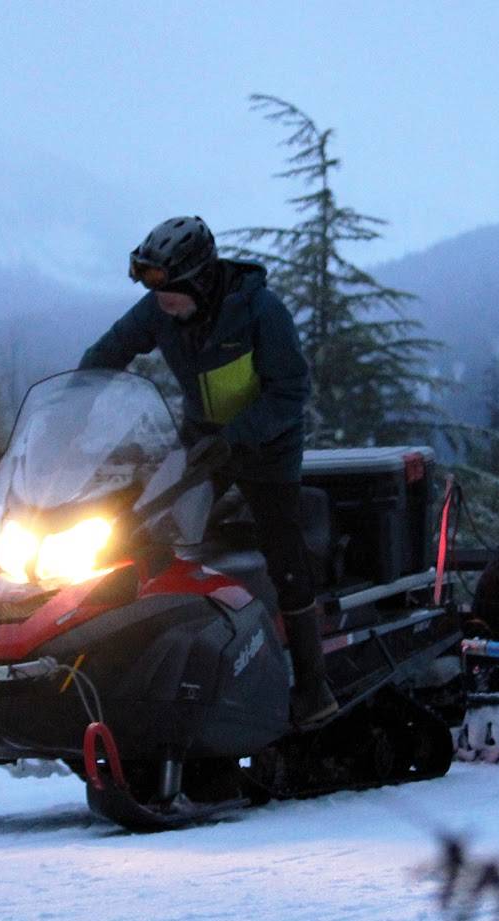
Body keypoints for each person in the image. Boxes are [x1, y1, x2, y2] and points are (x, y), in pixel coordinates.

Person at [79, 215, 338, 728]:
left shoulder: (261, 311)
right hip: (201, 442)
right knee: (143, 527)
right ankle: (142, 658)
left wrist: (237, 439)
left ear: (199, 280)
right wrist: (77, 397)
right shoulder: (159, 309)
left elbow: (291, 392)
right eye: (157, 294)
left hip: (267, 450)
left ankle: (313, 687)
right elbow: (110, 351)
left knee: (284, 554)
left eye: (172, 292)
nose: (163, 303)